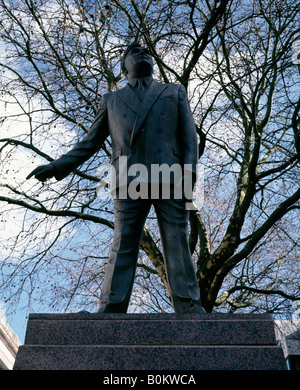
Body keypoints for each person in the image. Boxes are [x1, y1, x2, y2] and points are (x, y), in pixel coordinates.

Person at [27, 42, 205, 314]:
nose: (143, 52)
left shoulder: (174, 91)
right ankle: (110, 306)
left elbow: (189, 136)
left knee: (177, 240)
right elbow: (89, 143)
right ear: (124, 67)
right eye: (135, 52)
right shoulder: (111, 100)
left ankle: (189, 306)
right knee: (123, 241)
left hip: (170, 176)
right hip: (128, 178)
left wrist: (190, 172)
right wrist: (57, 166)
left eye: (147, 51)